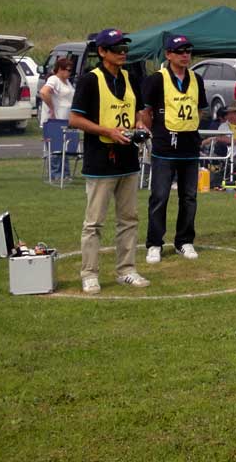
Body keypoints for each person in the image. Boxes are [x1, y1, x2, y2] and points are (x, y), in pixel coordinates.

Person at [68, 28, 149, 293]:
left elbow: (139, 112)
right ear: (102, 52)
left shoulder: (131, 77)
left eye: (125, 49)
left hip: (128, 159)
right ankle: (89, 274)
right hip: (100, 160)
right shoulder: (89, 80)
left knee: (129, 218)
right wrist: (108, 131)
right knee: (94, 223)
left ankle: (127, 270)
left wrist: (140, 123)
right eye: (117, 49)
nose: (123, 53)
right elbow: (74, 119)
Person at [139, 34, 208, 264]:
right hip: (164, 147)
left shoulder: (197, 79)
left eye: (188, 51)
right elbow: (145, 111)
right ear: (168, 54)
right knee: (160, 196)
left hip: (190, 146)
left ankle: (184, 241)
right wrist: (154, 133)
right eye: (180, 51)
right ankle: (154, 243)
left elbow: (199, 109)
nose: (185, 55)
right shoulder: (156, 79)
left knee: (189, 197)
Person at [39, 57, 75, 126]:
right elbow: (43, 92)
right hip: (56, 120)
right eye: (69, 70)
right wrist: (51, 108)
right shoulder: (54, 79)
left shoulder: (67, 81)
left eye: (71, 70)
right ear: (60, 69)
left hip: (66, 119)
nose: (70, 72)